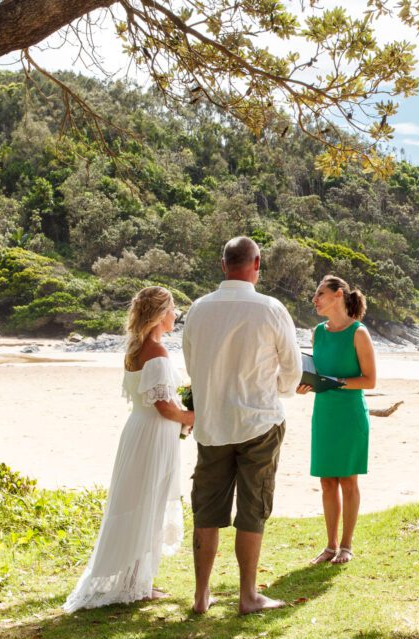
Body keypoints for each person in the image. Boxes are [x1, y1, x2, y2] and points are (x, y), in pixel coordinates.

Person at [183, 236, 303, 615]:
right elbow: (293, 369)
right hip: (259, 422)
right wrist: (279, 392)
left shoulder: (199, 309)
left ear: (223, 265)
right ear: (257, 264)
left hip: (213, 424)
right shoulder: (271, 308)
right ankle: (248, 596)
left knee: (207, 510)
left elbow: (191, 363)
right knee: (252, 509)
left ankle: (201, 596)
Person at [63, 286, 195, 613]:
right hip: (153, 433)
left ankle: (138, 580)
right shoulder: (157, 352)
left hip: (138, 429)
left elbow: (153, 400)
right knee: (148, 501)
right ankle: (137, 584)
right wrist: (193, 416)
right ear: (159, 314)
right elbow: (164, 406)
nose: (175, 314)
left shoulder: (135, 349)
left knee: (138, 501)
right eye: (172, 308)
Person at [297, 275, 377, 566]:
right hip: (324, 413)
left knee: (348, 480)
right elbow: (316, 371)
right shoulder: (318, 332)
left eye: (320, 293)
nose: (315, 299)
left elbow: (370, 381)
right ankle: (330, 545)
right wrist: (306, 384)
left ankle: (346, 546)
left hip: (349, 413)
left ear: (339, 295)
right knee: (327, 481)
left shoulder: (358, 333)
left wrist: (336, 382)